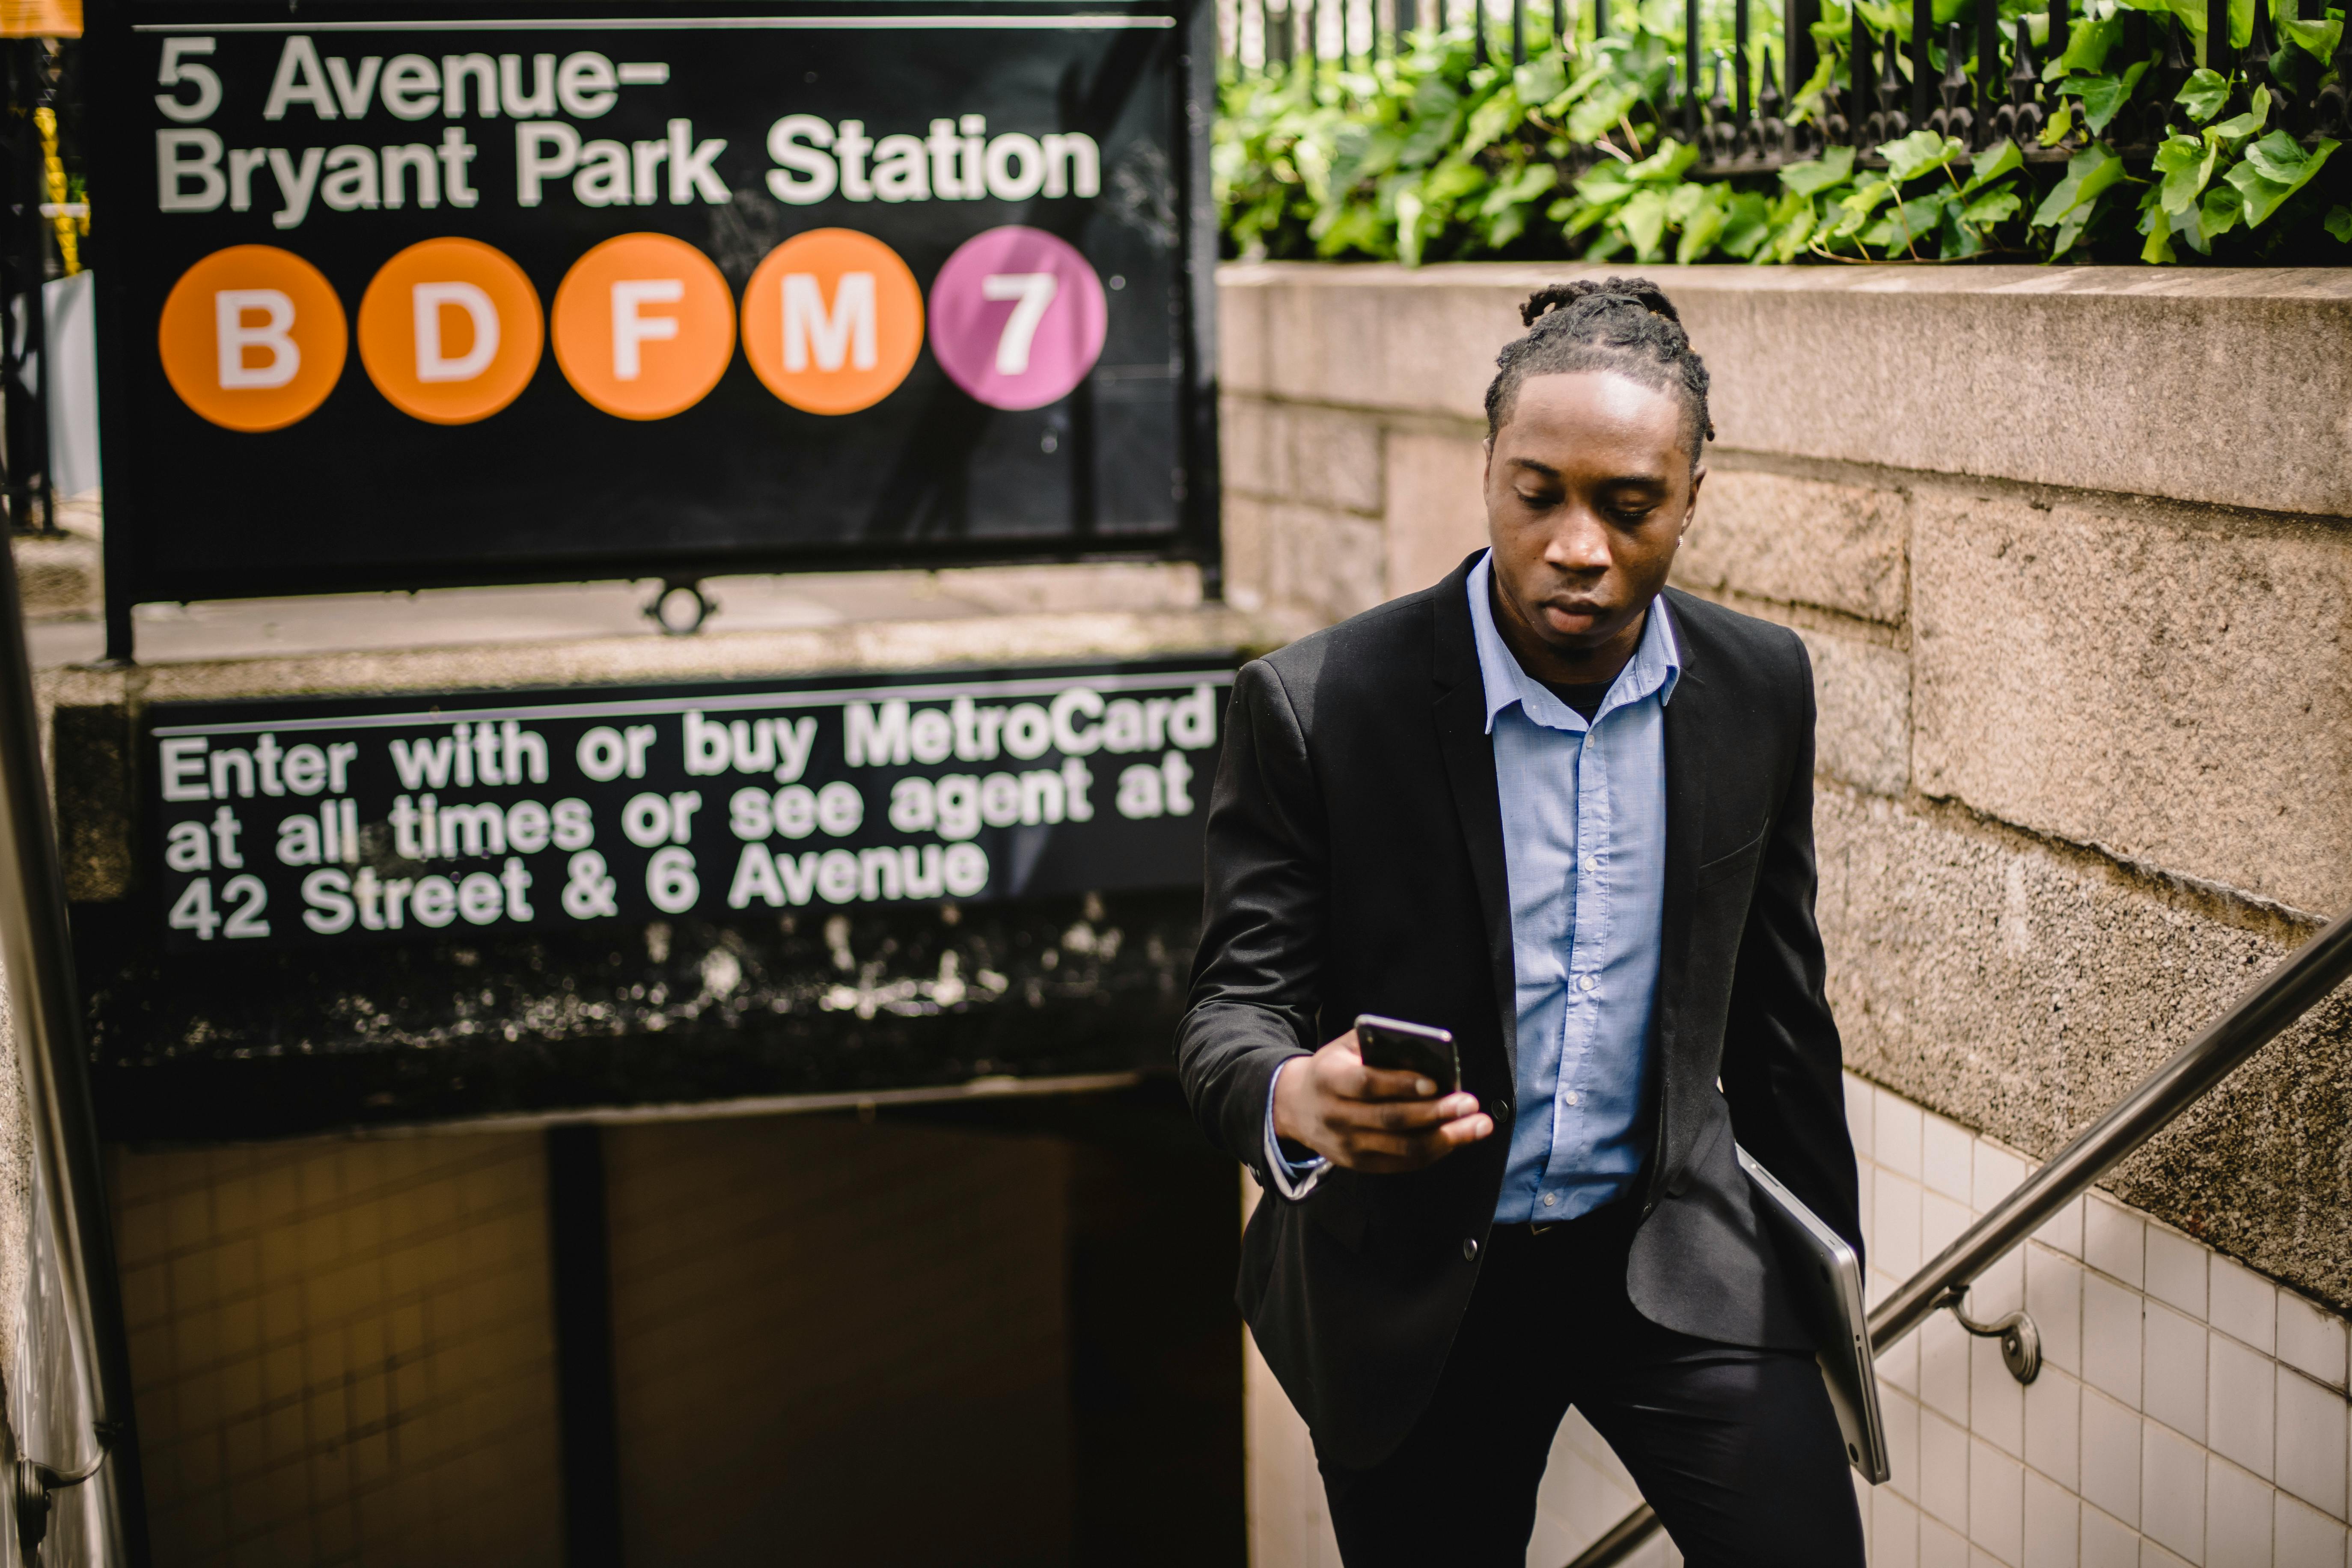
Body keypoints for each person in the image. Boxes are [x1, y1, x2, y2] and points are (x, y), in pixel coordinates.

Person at [1175, 278, 1864, 1567]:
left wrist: (1834, 1297)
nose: (1578, 544)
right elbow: (1230, 1010)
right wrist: (1290, 1098)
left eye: (1629, 505)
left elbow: (1783, 1018)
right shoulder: (1319, 705)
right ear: (1490, 469)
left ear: (1691, 501)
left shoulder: (1762, 684)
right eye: (1537, 493)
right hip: (1417, 1282)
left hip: (1674, 1257)